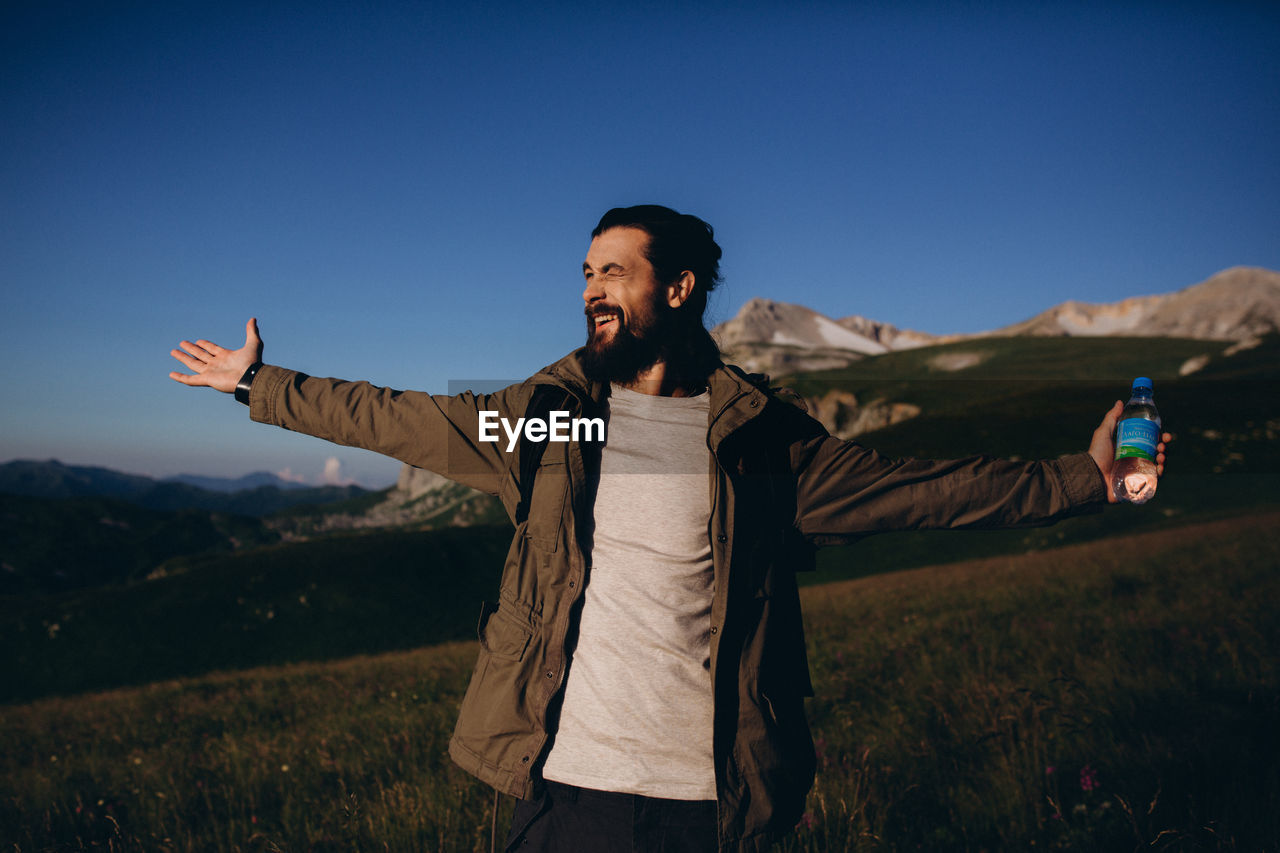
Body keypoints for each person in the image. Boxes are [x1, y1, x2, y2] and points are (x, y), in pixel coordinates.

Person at [170, 205, 1170, 853]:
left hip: (712, 805)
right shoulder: (557, 416)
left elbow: (921, 490)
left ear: (679, 288)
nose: (589, 287)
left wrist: (1083, 479)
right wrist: (261, 384)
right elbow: (399, 416)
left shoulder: (758, 442)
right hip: (560, 791)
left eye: (614, 270)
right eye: (584, 271)